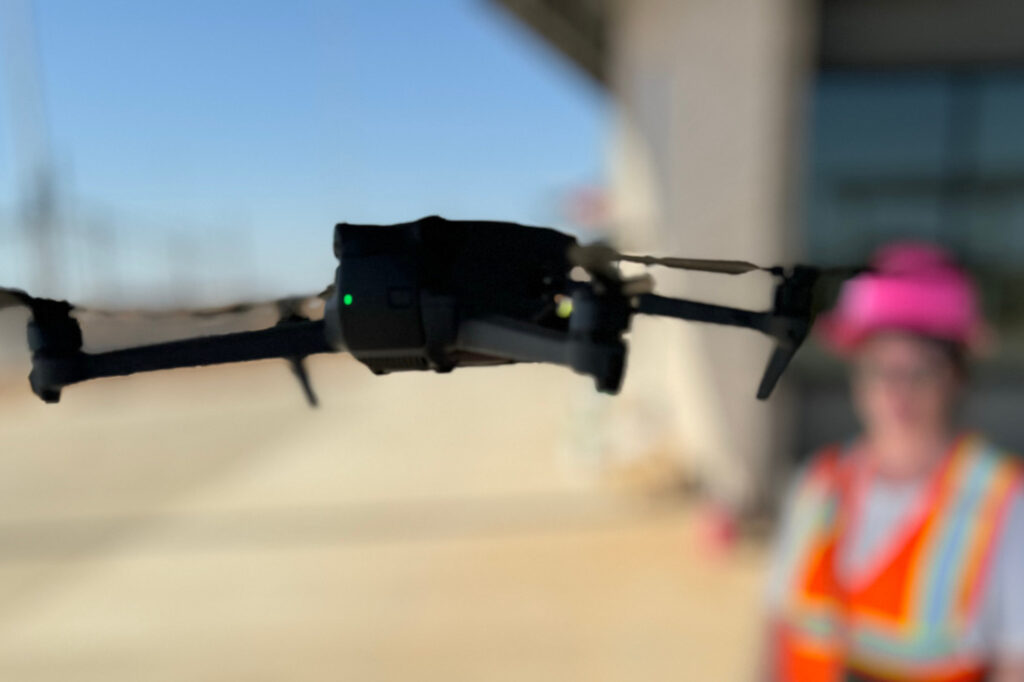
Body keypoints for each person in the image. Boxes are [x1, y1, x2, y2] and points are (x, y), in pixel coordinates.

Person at [766, 243, 1024, 682]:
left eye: (920, 369)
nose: (897, 390)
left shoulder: (1005, 502)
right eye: (880, 366)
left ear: (957, 377)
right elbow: (774, 637)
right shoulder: (816, 482)